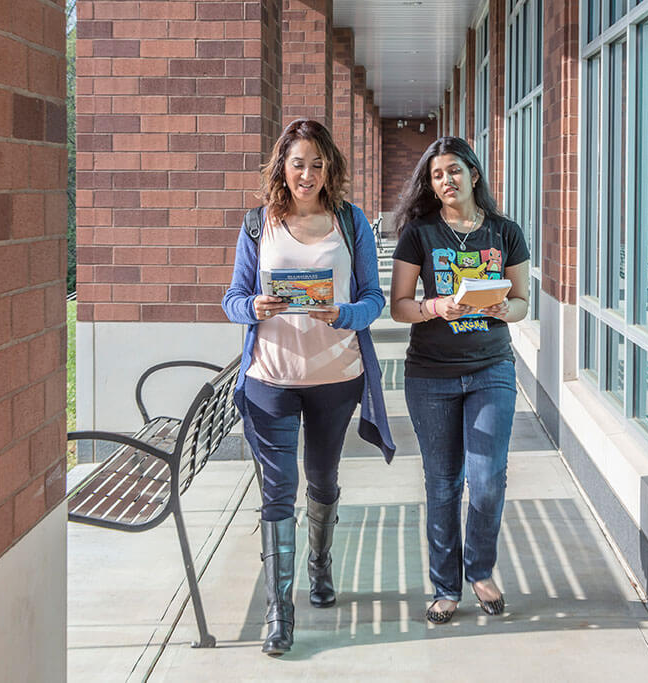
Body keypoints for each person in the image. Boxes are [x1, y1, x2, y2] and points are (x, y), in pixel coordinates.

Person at [222, 119, 395, 656]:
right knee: (277, 489)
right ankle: (280, 610)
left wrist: (342, 312)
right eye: (298, 162)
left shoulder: (351, 222)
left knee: (322, 479)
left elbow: (374, 298)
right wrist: (253, 306)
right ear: (283, 167)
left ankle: (319, 567)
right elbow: (232, 299)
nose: (307, 173)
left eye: (317, 163)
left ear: (330, 169)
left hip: (335, 379)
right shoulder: (257, 225)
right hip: (269, 380)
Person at [389, 136, 529, 624]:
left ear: (474, 174)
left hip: (491, 367)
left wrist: (502, 307)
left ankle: (481, 570)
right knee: (444, 483)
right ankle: (446, 586)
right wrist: (435, 307)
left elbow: (522, 303)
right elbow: (400, 306)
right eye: (435, 175)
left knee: (487, 480)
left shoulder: (506, 233)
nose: (445, 180)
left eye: (453, 171)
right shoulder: (419, 234)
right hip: (430, 375)